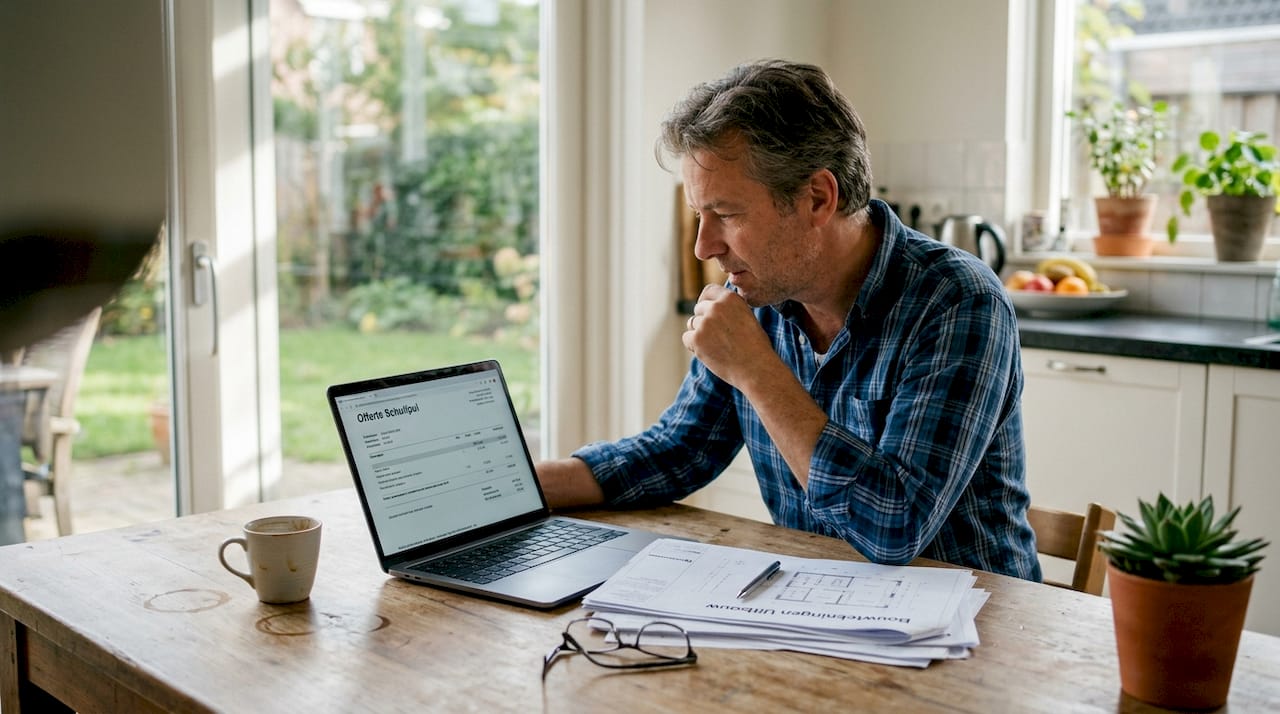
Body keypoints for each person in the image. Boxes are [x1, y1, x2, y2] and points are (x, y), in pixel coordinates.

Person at [535, 59, 1041, 581]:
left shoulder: (957, 301)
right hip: (819, 605)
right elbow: (680, 450)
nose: (703, 246)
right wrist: (520, 488)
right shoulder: (756, 293)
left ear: (818, 198)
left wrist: (756, 370)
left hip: (976, 625)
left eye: (726, 215)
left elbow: (894, 527)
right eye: (699, 215)